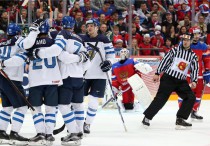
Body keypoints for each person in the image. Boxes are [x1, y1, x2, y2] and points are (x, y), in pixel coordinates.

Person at [27, 16, 89, 145]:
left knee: (61, 106)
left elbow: (60, 55)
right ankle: (77, 132)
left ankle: (73, 132)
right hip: (77, 77)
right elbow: (86, 61)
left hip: (65, 77)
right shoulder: (80, 39)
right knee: (77, 106)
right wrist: (80, 63)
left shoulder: (60, 35)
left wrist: (37, 53)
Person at [142, 33, 199, 130]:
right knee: (161, 99)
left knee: (190, 97)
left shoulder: (193, 55)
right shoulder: (175, 50)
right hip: (168, 78)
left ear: (190, 42)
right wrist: (157, 73)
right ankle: (147, 117)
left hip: (181, 81)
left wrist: (194, 80)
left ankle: (180, 119)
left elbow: (195, 69)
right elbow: (165, 61)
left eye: (187, 40)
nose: (185, 42)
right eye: (184, 40)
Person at [80, 18, 115, 134]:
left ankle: (88, 124)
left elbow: (111, 55)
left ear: (96, 27)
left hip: (100, 75)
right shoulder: (81, 39)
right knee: (78, 101)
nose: (89, 28)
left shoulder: (104, 39)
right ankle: (77, 123)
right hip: (83, 75)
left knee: (93, 101)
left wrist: (109, 63)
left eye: (91, 26)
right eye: (87, 26)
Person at [0, 23, 29, 145]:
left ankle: (1, 133)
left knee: (7, 107)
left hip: (2, 79)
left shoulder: (1, 45)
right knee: (22, 107)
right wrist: (4, 64)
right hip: (12, 79)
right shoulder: (19, 44)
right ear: (18, 33)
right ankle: (14, 134)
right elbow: (18, 60)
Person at [178, 26, 209, 121]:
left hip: (199, 73)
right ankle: (181, 113)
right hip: (185, 73)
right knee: (183, 92)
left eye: (198, 34)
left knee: (198, 93)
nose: (196, 36)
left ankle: (194, 111)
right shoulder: (184, 44)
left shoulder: (203, 46)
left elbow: (206, 60)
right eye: (194, 34)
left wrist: (207, 70)